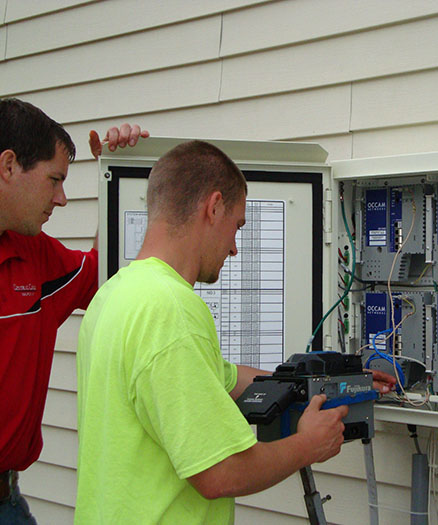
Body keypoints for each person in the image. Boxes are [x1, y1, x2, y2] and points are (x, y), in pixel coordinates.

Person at [75, 140, 396, 523]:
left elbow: (225, 380)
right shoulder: (170, 309)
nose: (234, 248)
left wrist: (339, 381)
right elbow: (219, 473)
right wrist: (307, 444)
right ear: (213, 208)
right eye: (237, 225)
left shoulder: (113, 293)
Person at [0, 97, 149, 524]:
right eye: (54, 180)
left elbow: (105, 278)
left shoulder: (34, 256)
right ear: (9, 166)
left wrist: (118, 174)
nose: (62, 199)